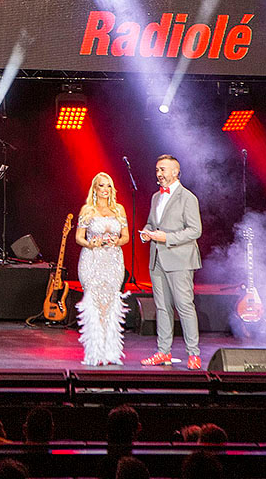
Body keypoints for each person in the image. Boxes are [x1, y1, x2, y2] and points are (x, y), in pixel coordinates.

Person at [138, 154, 202, 369]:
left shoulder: (188, 197)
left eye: (163, 169)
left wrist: (167, 237)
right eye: (157, 170)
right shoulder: (156, 197)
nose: (159, 174)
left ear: (175, 172)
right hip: (157, 258)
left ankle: (193, 354)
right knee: (162, 307)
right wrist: (146, 233)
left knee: (184, 306)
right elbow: (151, 223)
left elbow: (195, 230)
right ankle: (163, 352)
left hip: (180, 259)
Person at [74, 172, 130, 366]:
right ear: (95, 188)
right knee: (94, 303)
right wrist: (90, 243)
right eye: (101, 186)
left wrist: (117, 241)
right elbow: (78, 237)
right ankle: (94, 352)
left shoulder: (119, 210)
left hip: (113, 261)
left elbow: (126, 237)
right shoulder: (87, 210)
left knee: (111, 304)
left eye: (108, 186)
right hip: (92, 260)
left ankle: (110, 351)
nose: (105, 189)